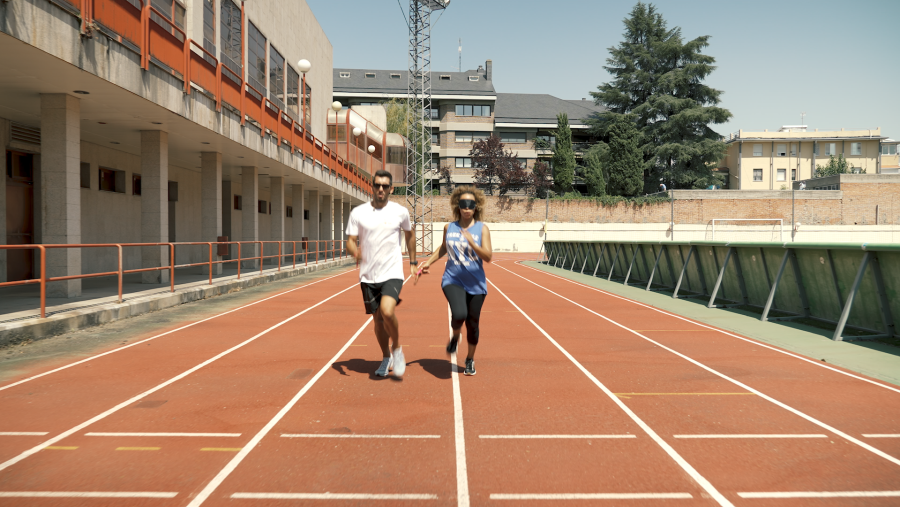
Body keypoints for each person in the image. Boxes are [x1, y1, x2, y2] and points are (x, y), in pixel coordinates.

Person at [346, 170, 417, 378]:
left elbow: (410, 236)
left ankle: (397, 349)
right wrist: (354, 251)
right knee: (377, 321)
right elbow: (350, 240)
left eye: (385, 186)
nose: (380, 189)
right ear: (372, 186)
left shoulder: (400, 212)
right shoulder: (358, 213)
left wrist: (413, 261)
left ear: (391, 189)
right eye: (377, 185)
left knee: (387, 312)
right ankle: (386, 357)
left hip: (392, 271)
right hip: (368, 276)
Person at [416, 186, 492, 376]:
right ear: (458, 206)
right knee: (459, 313)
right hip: (452, 279)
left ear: (476, 207)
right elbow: (443, 248)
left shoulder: (482, 229)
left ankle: (469, 359)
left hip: (476, 284)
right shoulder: (449, 227)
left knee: (473, 324)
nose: (467, 208)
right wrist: (429, 262)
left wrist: (472, 242)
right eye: (463, 204)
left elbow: (488, 256)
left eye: (471, 205)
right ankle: (455, 336)